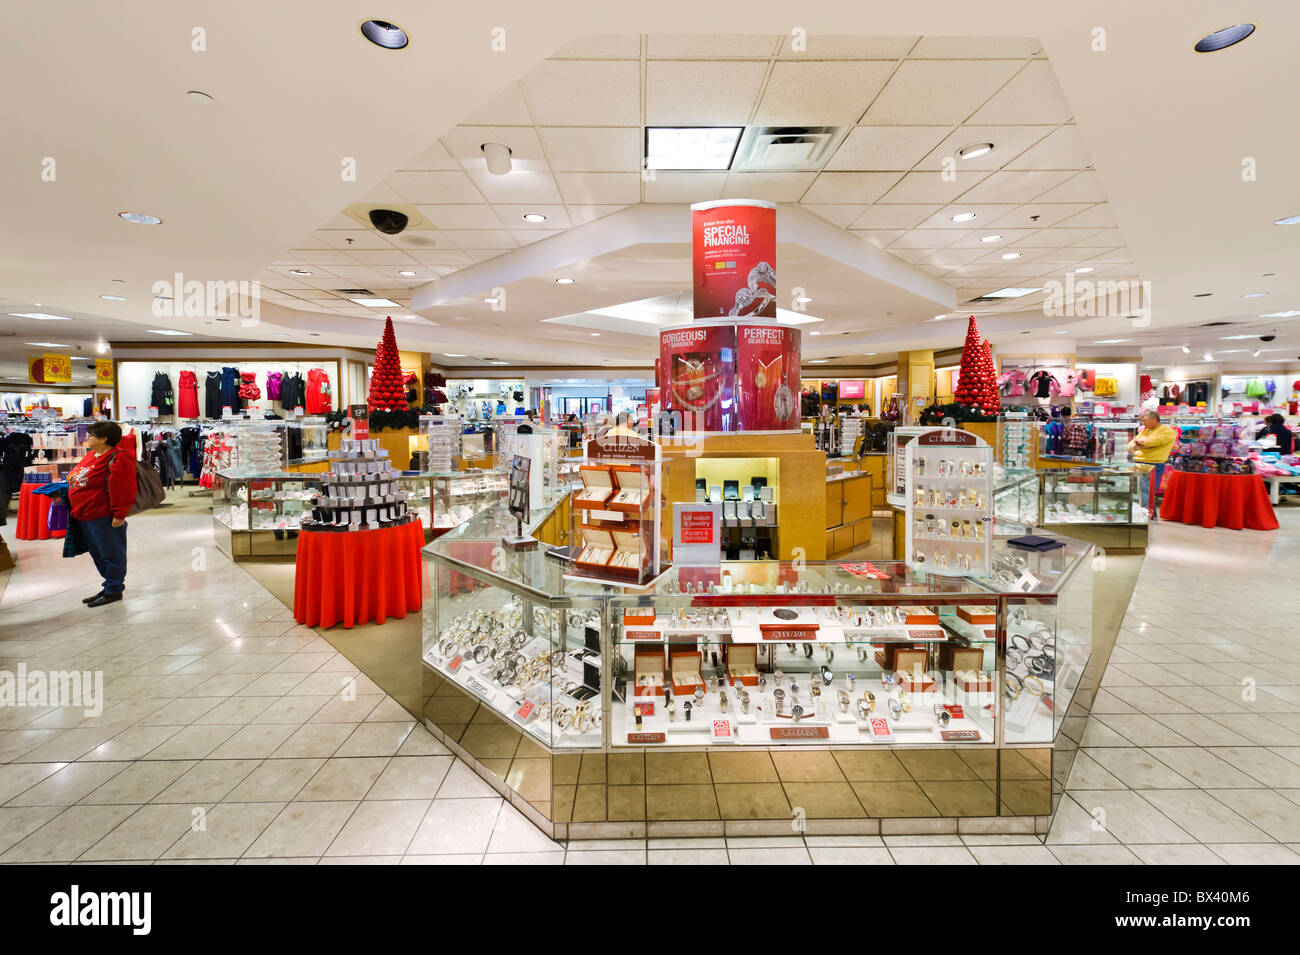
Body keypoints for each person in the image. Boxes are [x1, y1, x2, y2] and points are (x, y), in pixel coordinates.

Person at [67, 421, 138, 606]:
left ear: (104, 438)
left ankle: (114, 589)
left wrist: (119, 514)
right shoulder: (91, 455)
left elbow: (124, 487)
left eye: (91, 435)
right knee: (97, 553)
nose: (87, 438)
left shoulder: (119, 457)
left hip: (103, 515)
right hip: (85, 514)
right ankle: (109, 585)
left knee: (111, 553)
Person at [1127, 410, 1177, 518]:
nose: (1143, 423)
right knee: (1139, 492)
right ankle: (1150, 515)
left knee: (1146, 492)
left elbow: (1154, 442)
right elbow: (1131, 445)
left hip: (1153, 465)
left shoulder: (1167, 431)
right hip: (1138, 463)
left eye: (1144, 420)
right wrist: (1138, 444)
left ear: (1154, 419)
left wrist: (1140, 443)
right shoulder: (1145, 431)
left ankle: (1145, 517)